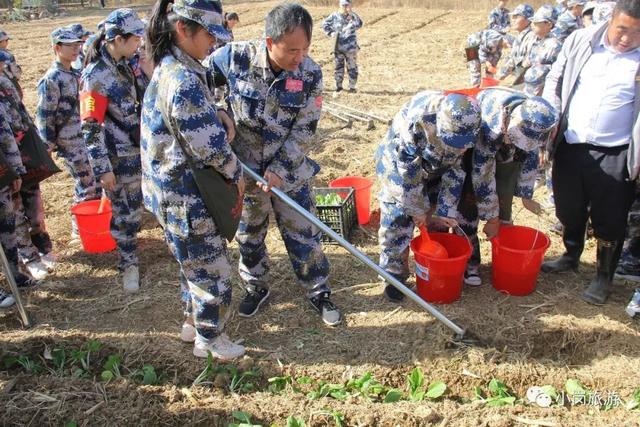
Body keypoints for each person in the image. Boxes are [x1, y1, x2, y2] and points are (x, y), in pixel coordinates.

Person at [210, 3, 342, 326]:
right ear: (270, 42)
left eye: (305, 49)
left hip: (290, 172)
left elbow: (305, 130)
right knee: (249, 234)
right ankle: (256, 287)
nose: (300, 57)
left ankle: (318, 289)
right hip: (246, 172)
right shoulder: (232, 58)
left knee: (303, 232)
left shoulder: (310, 74)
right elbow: (201, 84)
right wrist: (219, 110)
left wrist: (280, 170)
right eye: (292, 50)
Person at [142, 0, 246, 360]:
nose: (214, 44)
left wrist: (214, 111)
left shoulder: (172, 66)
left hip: (167, 192)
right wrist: (238, 175)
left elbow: (183, 118)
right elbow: (212, 151)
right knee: (212, 270)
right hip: (187, 196)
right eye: (208, 36)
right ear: (183, 30)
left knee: (191, 264)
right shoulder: (183, 80)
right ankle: (211, 339)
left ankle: (192, 323)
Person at [541, 0, 640, 306]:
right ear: (611, 20)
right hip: (572, 143)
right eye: (621, 29)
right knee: (569, 209)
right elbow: (555, 80)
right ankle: (571, 254)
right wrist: (552, 117)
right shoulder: (581, 41)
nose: (626, 38)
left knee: (610, 218)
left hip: (616, 151)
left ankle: (603, 277)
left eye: (637, 33)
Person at [375, 92, 481, 300]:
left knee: (437, 221)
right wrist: (416, 209)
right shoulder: (417, 120)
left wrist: (445, 209)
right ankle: (394, 277)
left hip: (436, 169)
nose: (460, 148)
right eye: (455, 141)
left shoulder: (471, 123)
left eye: (464, 144)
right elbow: (407, 170)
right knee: (397, 218)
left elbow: (457, 170)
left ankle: (436, 267)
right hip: (399, 166)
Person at [458, 88, 557, 286]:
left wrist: (525, 194)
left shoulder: (538, 119)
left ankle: (502, 255)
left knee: (504, 201)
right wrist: (491, 217)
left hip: (507, 155)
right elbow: (482, 174)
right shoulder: (489, 124)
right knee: (468, 208)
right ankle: (470, 262)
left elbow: (529, 155)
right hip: (474, 155)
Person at [80, 8, 146, 293]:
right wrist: (102, 168)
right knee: (124, 212)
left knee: (140, 206)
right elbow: (90, 126)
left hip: (137, 149)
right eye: (135, 39)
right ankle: (128, 262)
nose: (138, 44)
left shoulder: (127, 64)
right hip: (117, 158)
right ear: (118, 39)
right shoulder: (95, 76)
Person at [36, 27, 99, 241]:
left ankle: (95, 224)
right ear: (57, 48)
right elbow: (45, 116)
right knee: (85, 184)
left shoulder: (74, 72)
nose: (76, 49)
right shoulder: (52, 79)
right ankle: (79, 229)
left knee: (94, 182)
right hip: (69, 142)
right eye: (70, 45)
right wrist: (47, 145)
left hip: (83, 138)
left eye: (77, 45)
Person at [321, 0, 363, 93]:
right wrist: (331, 33)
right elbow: (324, 24)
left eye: (347, 5)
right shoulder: (334, 16)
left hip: (351, 48)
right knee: (338, 67)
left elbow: (359, 24)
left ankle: (352, 86)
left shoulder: (352, 16)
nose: (345, 7)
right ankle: (339, 86)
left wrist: (352, 13)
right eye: (343, 5)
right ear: (340, 6)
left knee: (352, 67)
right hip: (338, 47)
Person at [523, 5, 563, 96]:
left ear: (549, 24)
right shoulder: (536, 40)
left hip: (543, 92)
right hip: (530, 88)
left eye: (536, 22)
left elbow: (548, 73)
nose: (532, 25)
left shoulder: (553, 45)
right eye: (532, 22)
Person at [496, 4, 536, 84]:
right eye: (512, 17)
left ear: (527, 19)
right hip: (520, 79)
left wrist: (513, 82)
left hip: (528, 81)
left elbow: (527, 64)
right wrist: (501, 73)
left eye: (516, 17)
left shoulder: (532, 37)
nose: (513, 20)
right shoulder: (520, 36)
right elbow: (513, 58)